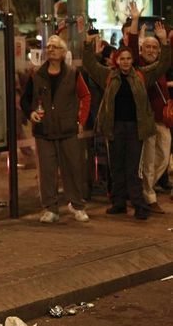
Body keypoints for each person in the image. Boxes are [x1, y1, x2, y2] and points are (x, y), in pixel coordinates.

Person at [83, 18, 171, 220]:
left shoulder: (142, 74)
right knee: (117, 167)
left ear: (132, 61)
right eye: (121, 59)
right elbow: (89, 64)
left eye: (128, 59)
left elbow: (163, 63)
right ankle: (119, 203)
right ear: (116, 60)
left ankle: (140, 205)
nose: (125, 62)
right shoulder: (108, 75)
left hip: (135, 128)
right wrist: (88, 43)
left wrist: (164, 41)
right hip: (114, 127)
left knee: (133, 168)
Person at [21, 35, 91, 223]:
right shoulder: (36, 74)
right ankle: (50, 208)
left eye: (55, 47)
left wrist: (80, 120)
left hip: (68, 130)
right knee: (47, 172)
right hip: (44, 131)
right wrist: (31, 114)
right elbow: (25, 100)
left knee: (73, 170)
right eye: (48, 47)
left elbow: (85, 96)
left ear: (63, 52)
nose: (50, 49)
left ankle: (77, 205)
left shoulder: (73, 73)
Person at [122, 1, 171, 214]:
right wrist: (134, 20)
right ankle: (148, 196)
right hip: (147, 121)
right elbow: (131, 45)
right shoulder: (139, 66)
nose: (151, 50)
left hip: (163, 119)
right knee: (149, 160)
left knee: (163, 155)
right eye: (147, 47)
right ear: (141, 50)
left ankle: (147, 189)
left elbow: (169, 57)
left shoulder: (160, 65)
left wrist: (164, 40)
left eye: (155, 47)